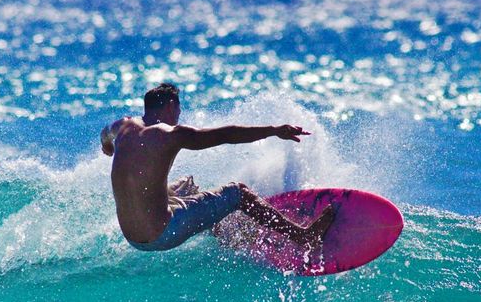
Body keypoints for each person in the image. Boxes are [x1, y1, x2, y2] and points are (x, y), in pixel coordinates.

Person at [101, 83, 335, 251]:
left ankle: (222, 231)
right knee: (238, 193)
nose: (178, 116)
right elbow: (226, 135)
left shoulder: (122, 126)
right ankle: (304, 236)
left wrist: (109, 148)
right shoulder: (170, 134)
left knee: (186, 186)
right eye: (178, 111)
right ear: (171, 106)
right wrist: (274, 130)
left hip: (132, 237)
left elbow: (105, 135)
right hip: (163, 233)